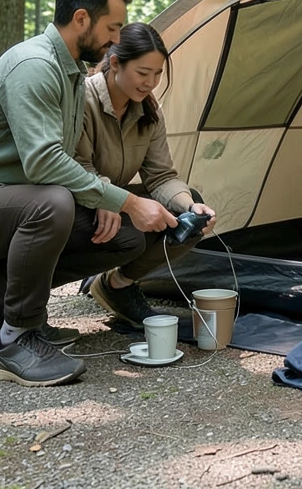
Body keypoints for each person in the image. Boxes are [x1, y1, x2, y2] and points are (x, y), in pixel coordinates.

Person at [0, 0, 178, 387]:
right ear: (81, 19)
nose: (115, 41)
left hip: (9, 206)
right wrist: (125, 200)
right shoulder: (35, 65)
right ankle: (15, 338)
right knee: (53, 202)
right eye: (112, 28)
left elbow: (67, 162)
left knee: (125, 236)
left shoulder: (70, 70)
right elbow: (44, 164)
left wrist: (112, 204)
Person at [73, 23, 217, 325]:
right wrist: (108, 196)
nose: (150, 82)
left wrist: (190, 207)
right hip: (77, 200)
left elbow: (161, 176)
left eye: (158, 74)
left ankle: (117, 285)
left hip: (114, 203)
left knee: (190, 212)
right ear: (115, 64)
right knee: (132, 236)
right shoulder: (81, 100)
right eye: (142, 73)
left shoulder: (149, 111)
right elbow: (75, 164)